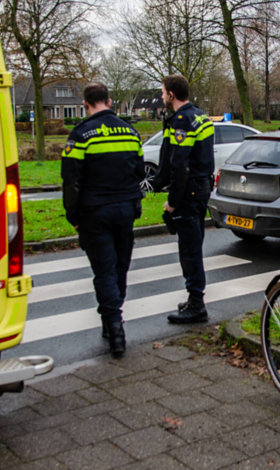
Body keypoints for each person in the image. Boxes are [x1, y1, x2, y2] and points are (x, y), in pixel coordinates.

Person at [61, 83, 145, 357]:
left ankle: (114, 327)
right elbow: (140, 171)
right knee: (119, 267)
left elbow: (71, 180)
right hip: (125, 210)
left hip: (95, 213)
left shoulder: (81, 134)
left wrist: (73, 215)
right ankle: (113, 319)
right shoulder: (131, 132)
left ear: (86, 104)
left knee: (104, 271)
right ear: (109, 101)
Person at [152, 75, 215, 324]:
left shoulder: (182, 121)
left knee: (189, 251)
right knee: (194, 245)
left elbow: (180, 168)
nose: (161, 96)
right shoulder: (200, 116)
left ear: (171, 95)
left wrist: (173, 202)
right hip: (202, 190)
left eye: (162, 92)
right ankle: (193, 299)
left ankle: (197, 306)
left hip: (188, 194)